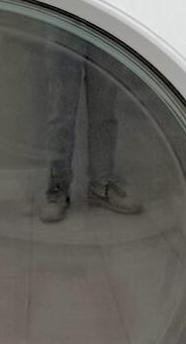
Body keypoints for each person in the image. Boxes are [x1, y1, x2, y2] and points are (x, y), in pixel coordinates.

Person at [39, 38, 143, 223]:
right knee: (61, 111)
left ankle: (101, 186)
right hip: (65, 16)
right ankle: (58, 186)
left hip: (107, 20)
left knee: (104, 107)